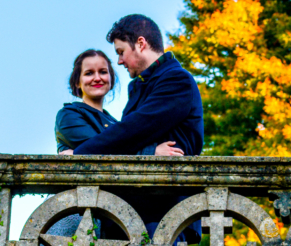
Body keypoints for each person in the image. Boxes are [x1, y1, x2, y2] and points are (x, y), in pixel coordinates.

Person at [60, 14, 204, 245]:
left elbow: (133, 130)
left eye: (120, 52)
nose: (119, 61)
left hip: (164, 214)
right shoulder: (141, 86)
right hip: (131, 214)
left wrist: (78, 154)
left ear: (140, 43)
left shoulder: (176, 80)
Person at [48, 49, 184, 237]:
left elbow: (113, 147)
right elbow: (99, 152)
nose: (97, 77)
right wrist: (151, 152)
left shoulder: (118, 123)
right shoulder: (69, 115)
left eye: (103, 72)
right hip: (79, 217)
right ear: (77, 82)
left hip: (112, 214)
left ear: (111, 78)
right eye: (89, 73)